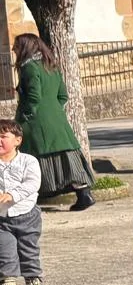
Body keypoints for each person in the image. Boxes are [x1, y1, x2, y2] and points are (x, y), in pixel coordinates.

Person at [13, 33, 95, 209]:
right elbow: (63, 96)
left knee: (35, 156)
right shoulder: (50, 66)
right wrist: (54, 111)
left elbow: (34, 97)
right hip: (57, 120)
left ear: (26, 47)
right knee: (67, 158)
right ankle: (84, 194)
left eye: (17, 46)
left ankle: (33, 197)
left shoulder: (29, 67)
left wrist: (25, 115)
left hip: (36, 122)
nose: (14, 49)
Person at [0, 117, 46, 285]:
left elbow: (32, 183)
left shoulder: (28, 161)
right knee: (5, 250)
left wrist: (12, 194)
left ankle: (33, 278)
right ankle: (7, 283)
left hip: (27, 215)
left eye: (3, 137)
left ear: (17, 140)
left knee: (29, 248)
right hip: (2, 218)